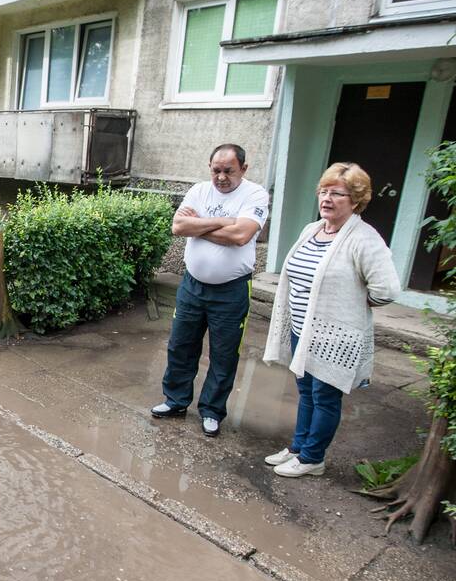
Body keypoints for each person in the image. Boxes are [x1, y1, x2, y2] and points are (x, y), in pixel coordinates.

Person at [262, 162, 401, 477]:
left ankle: (313, 459)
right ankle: (298, 448)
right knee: (306, 392)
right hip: (302, 329)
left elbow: (387, 289)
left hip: (335, 336)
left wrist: (356, 301)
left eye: (336, 193)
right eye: (323, 191)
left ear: (355, 199)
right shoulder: (311, 230)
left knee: (324, 397)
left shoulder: (364, 238)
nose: (326, 198)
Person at [151, 144, 270, 437]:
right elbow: (178, 227)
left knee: (224, 353)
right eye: (216, 170)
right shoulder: (199, 191)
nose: (221, 177)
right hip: (192, 286)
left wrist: (199, 225)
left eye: (228, 171)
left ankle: (212, 411)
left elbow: (241, 235)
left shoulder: (255, 194)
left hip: (231, 291)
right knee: (181, 345)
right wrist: (223, 222)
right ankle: (175, 401)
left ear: (243, 168)